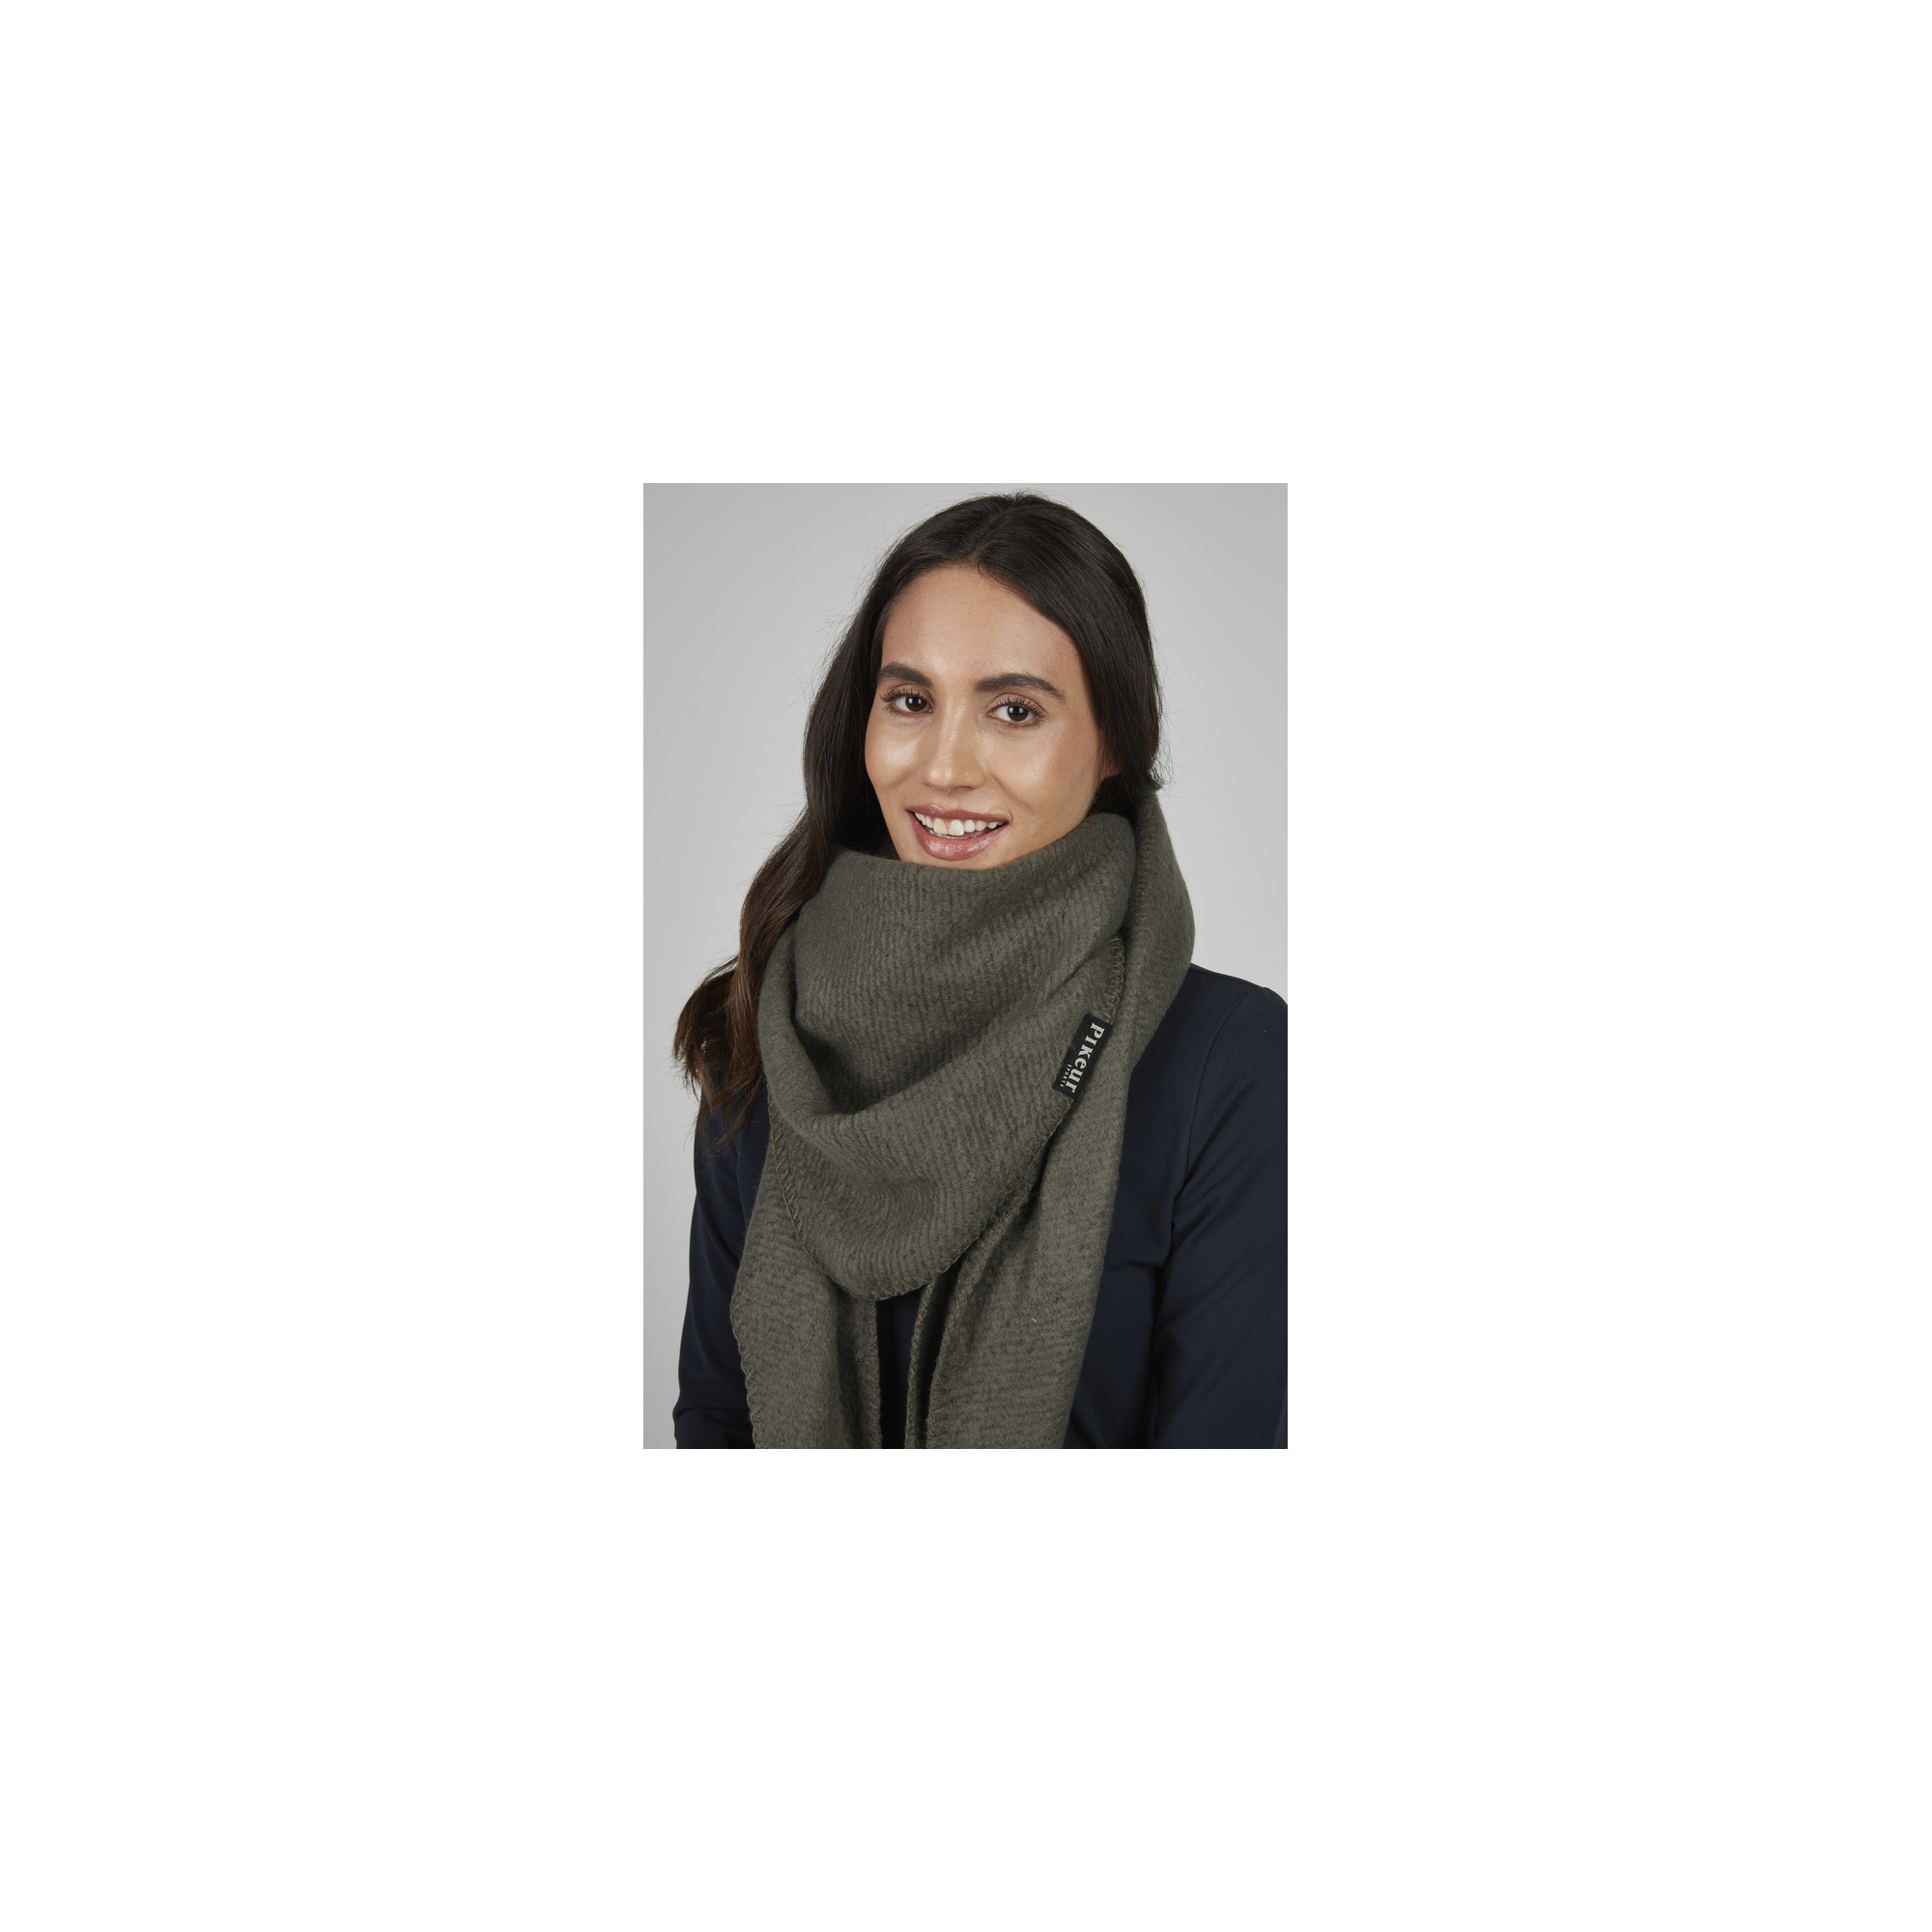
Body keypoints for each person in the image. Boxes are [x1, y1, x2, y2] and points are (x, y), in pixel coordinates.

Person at [671, 493, 1285, 1448]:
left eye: (1014, 710)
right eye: (910, 701)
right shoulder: (764, 1032)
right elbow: (717, 1422)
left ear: (1116, 743)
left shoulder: (1229, 1062)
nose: (946, 766)